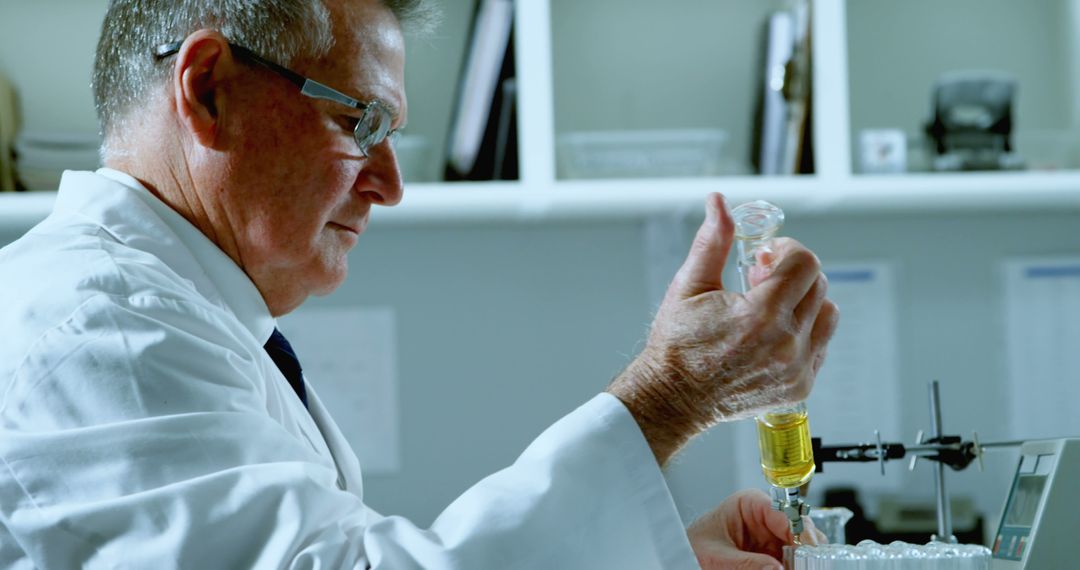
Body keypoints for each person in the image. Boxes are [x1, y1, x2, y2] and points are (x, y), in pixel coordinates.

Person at [0, 0, 839, 568]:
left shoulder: (171, 313)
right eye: (361, 122)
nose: (390, 183)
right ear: (208, 88)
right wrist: (672, 394)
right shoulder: (95, 329)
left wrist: (650, 552)